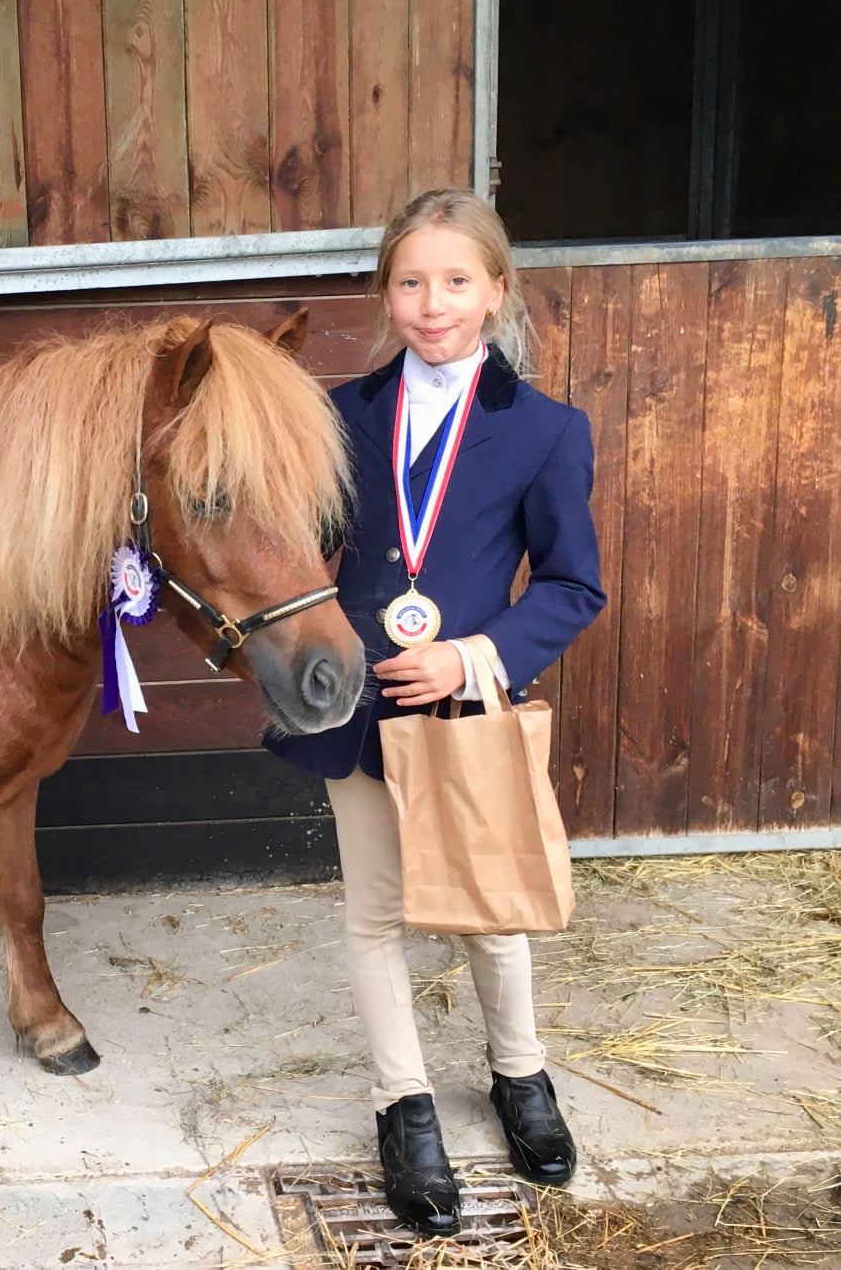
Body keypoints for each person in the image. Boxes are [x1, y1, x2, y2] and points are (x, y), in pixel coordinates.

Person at [263, 187, 606, 1237]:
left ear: (495, 292)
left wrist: (474, 653)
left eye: (456, 280)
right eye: (410, 281)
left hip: (467, 711)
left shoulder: (544, 430)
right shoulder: (342, 414)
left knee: (489, 909)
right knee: (374, 911)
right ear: (386, 293)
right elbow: (290, 539)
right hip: (360, 711)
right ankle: (402, 1104)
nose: (432, 302)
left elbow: (571, 585)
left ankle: (519, 1075)